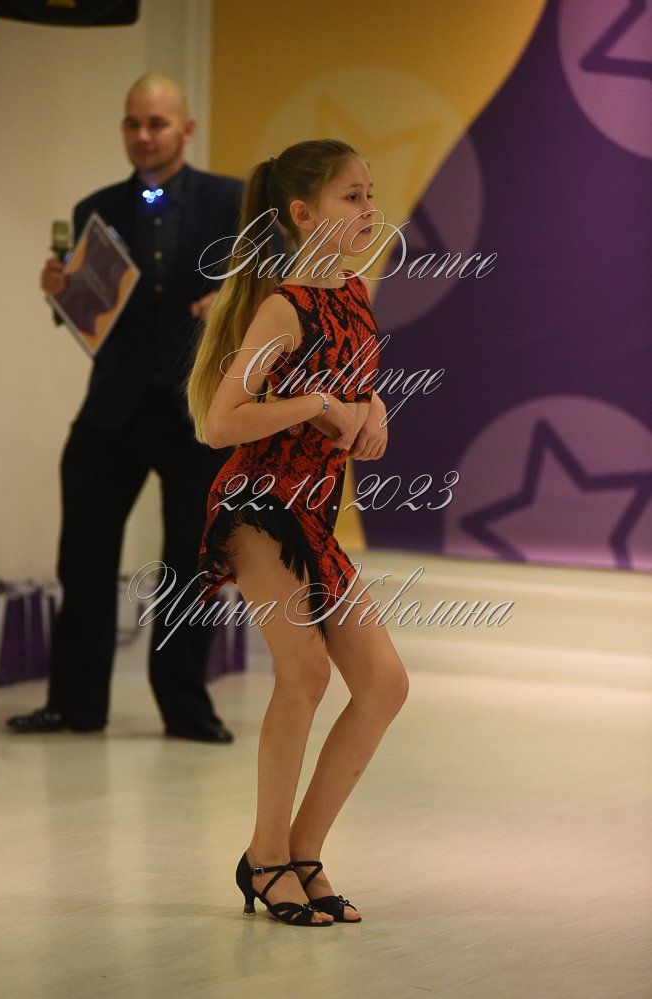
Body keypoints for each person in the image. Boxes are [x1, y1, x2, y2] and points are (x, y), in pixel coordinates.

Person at [187, 139, 409, 924]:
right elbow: (220, 422)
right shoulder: (282, 307)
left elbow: (358, 387)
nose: (370, 208)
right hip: (256, 505)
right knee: (306, 673)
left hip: (311, 512)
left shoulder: (353, 291)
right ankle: (266, 855)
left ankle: (300, 852)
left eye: (370, 193)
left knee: (384, 683)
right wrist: (316, 405)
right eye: (353, 196)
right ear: (304, 213)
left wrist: (374, 410)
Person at [7, 74, 243, 743]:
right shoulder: (95, 209)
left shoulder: (232, 202)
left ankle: (187, 708)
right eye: (133, 122)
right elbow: (91, 317)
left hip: (196, 411)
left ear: (186, 129)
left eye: (157, 123)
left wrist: (232, 301)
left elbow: (278, 281)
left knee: (191, 564)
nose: (144, 135)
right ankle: (75, 705)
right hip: (113, 406)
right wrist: (62, 294)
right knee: (83, 558)